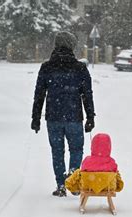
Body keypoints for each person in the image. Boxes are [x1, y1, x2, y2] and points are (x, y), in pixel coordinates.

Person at [31, 31, 96, 197]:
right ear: (72, 46)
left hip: (53, 117)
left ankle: (60, 185)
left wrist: (36, 118)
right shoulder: (80, 68)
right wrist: (90, 117)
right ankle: (73, 182)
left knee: (57, 151)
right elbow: (87, 94)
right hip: (74, 117)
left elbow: (39, 94)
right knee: (76, 149)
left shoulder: (46, 67)